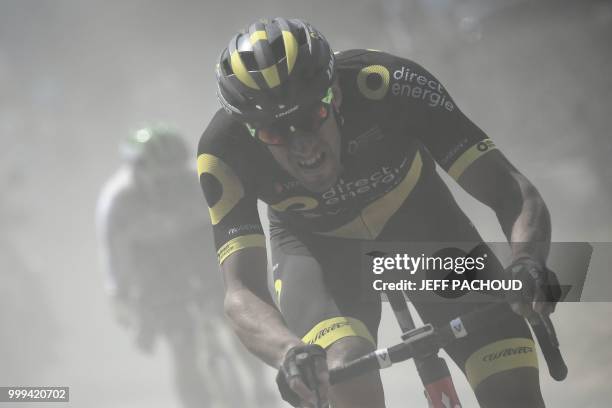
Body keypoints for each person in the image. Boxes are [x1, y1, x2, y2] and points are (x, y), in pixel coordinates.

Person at [197, 18, 559, 408]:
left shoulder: (389, 85)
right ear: (250, 130)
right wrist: (288, 353)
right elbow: (241, 292)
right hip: (318, 252)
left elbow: (510, 190)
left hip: (424, 227)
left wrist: (526, 261)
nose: (301, 144)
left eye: (309, 117)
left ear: (334, 94)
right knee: (344, 370)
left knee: (512, 392)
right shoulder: (224, 150)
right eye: (273, 132)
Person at [96, 125, 277, 408]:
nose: (169, 184)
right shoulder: (117, 200)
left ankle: (257, 385)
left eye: (175, 175)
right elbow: (115, 255)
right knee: (181, 344)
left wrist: (249, 274)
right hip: (153, 261)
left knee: (235, 319)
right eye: (160, 179)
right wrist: (121, 297)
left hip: (198, 246)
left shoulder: (197, 181)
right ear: (137, 172)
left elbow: (233, 226)